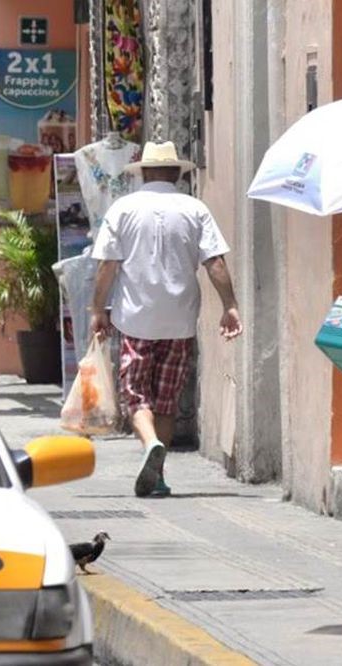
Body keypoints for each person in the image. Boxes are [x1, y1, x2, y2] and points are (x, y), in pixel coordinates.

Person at [90, 141, 242, 498]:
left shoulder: (123, 209)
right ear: (177, 173)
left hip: (135, 320)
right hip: (180, 320)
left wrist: (98, 309)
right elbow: (215, 263)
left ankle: (150, 446)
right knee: (167, 399)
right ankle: (157, 474)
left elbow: (107, 265)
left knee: (136, 396)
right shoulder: (195, 208)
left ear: (143, 171)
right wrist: (230, 305)